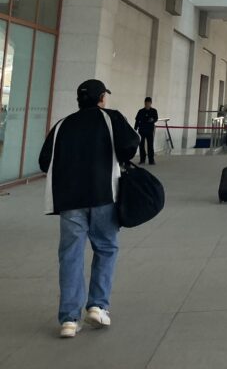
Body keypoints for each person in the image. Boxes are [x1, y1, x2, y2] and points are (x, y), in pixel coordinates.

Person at [38, 79, 140, 338]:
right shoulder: (110, 118)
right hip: (103, 194)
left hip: (70, 201)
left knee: (70, 255)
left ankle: (69, 320)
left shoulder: (62, 125)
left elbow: (44, 161)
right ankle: (97, 306)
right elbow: (130, 145)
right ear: (102, 97)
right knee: (106, 248)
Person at [134, 97, 159, 165]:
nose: (147, 104)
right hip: (141, 130)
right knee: (141, 146)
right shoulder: (140, 111)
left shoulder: (154, 111)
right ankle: (142, 160)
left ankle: (151, 160)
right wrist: (135, 129)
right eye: (146, 103)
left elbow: (156, 118)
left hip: (150, 130)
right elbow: (137, 121)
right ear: (144, 103)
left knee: (150, 145)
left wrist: (153, 120)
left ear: (151, 103)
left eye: (148, 103)